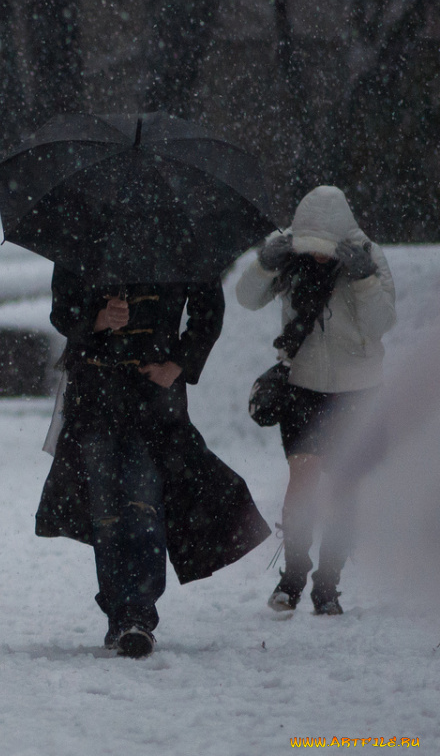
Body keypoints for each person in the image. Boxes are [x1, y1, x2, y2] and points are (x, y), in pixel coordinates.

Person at [38, 267, 269, 658]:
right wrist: (97, 319)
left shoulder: (181, 239)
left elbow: (208, 311)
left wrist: (177, 364)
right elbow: (62, 309)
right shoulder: (89, 234)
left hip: (154, 402)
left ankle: (138, 615)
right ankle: (121, 613)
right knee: (106, 512)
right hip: (94, 398)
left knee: (144, 504)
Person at [235, 185, 395, 616]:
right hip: (303, 387)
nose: (319, 255)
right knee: (302, 482)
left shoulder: (368, 255)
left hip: (358, 390)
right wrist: (265, 264)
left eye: (326, 247)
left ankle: (329, 584)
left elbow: (381, 322)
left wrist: (362, 279)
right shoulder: (289, 254)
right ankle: (293, 575)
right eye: (314, 246)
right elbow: (246, 298)